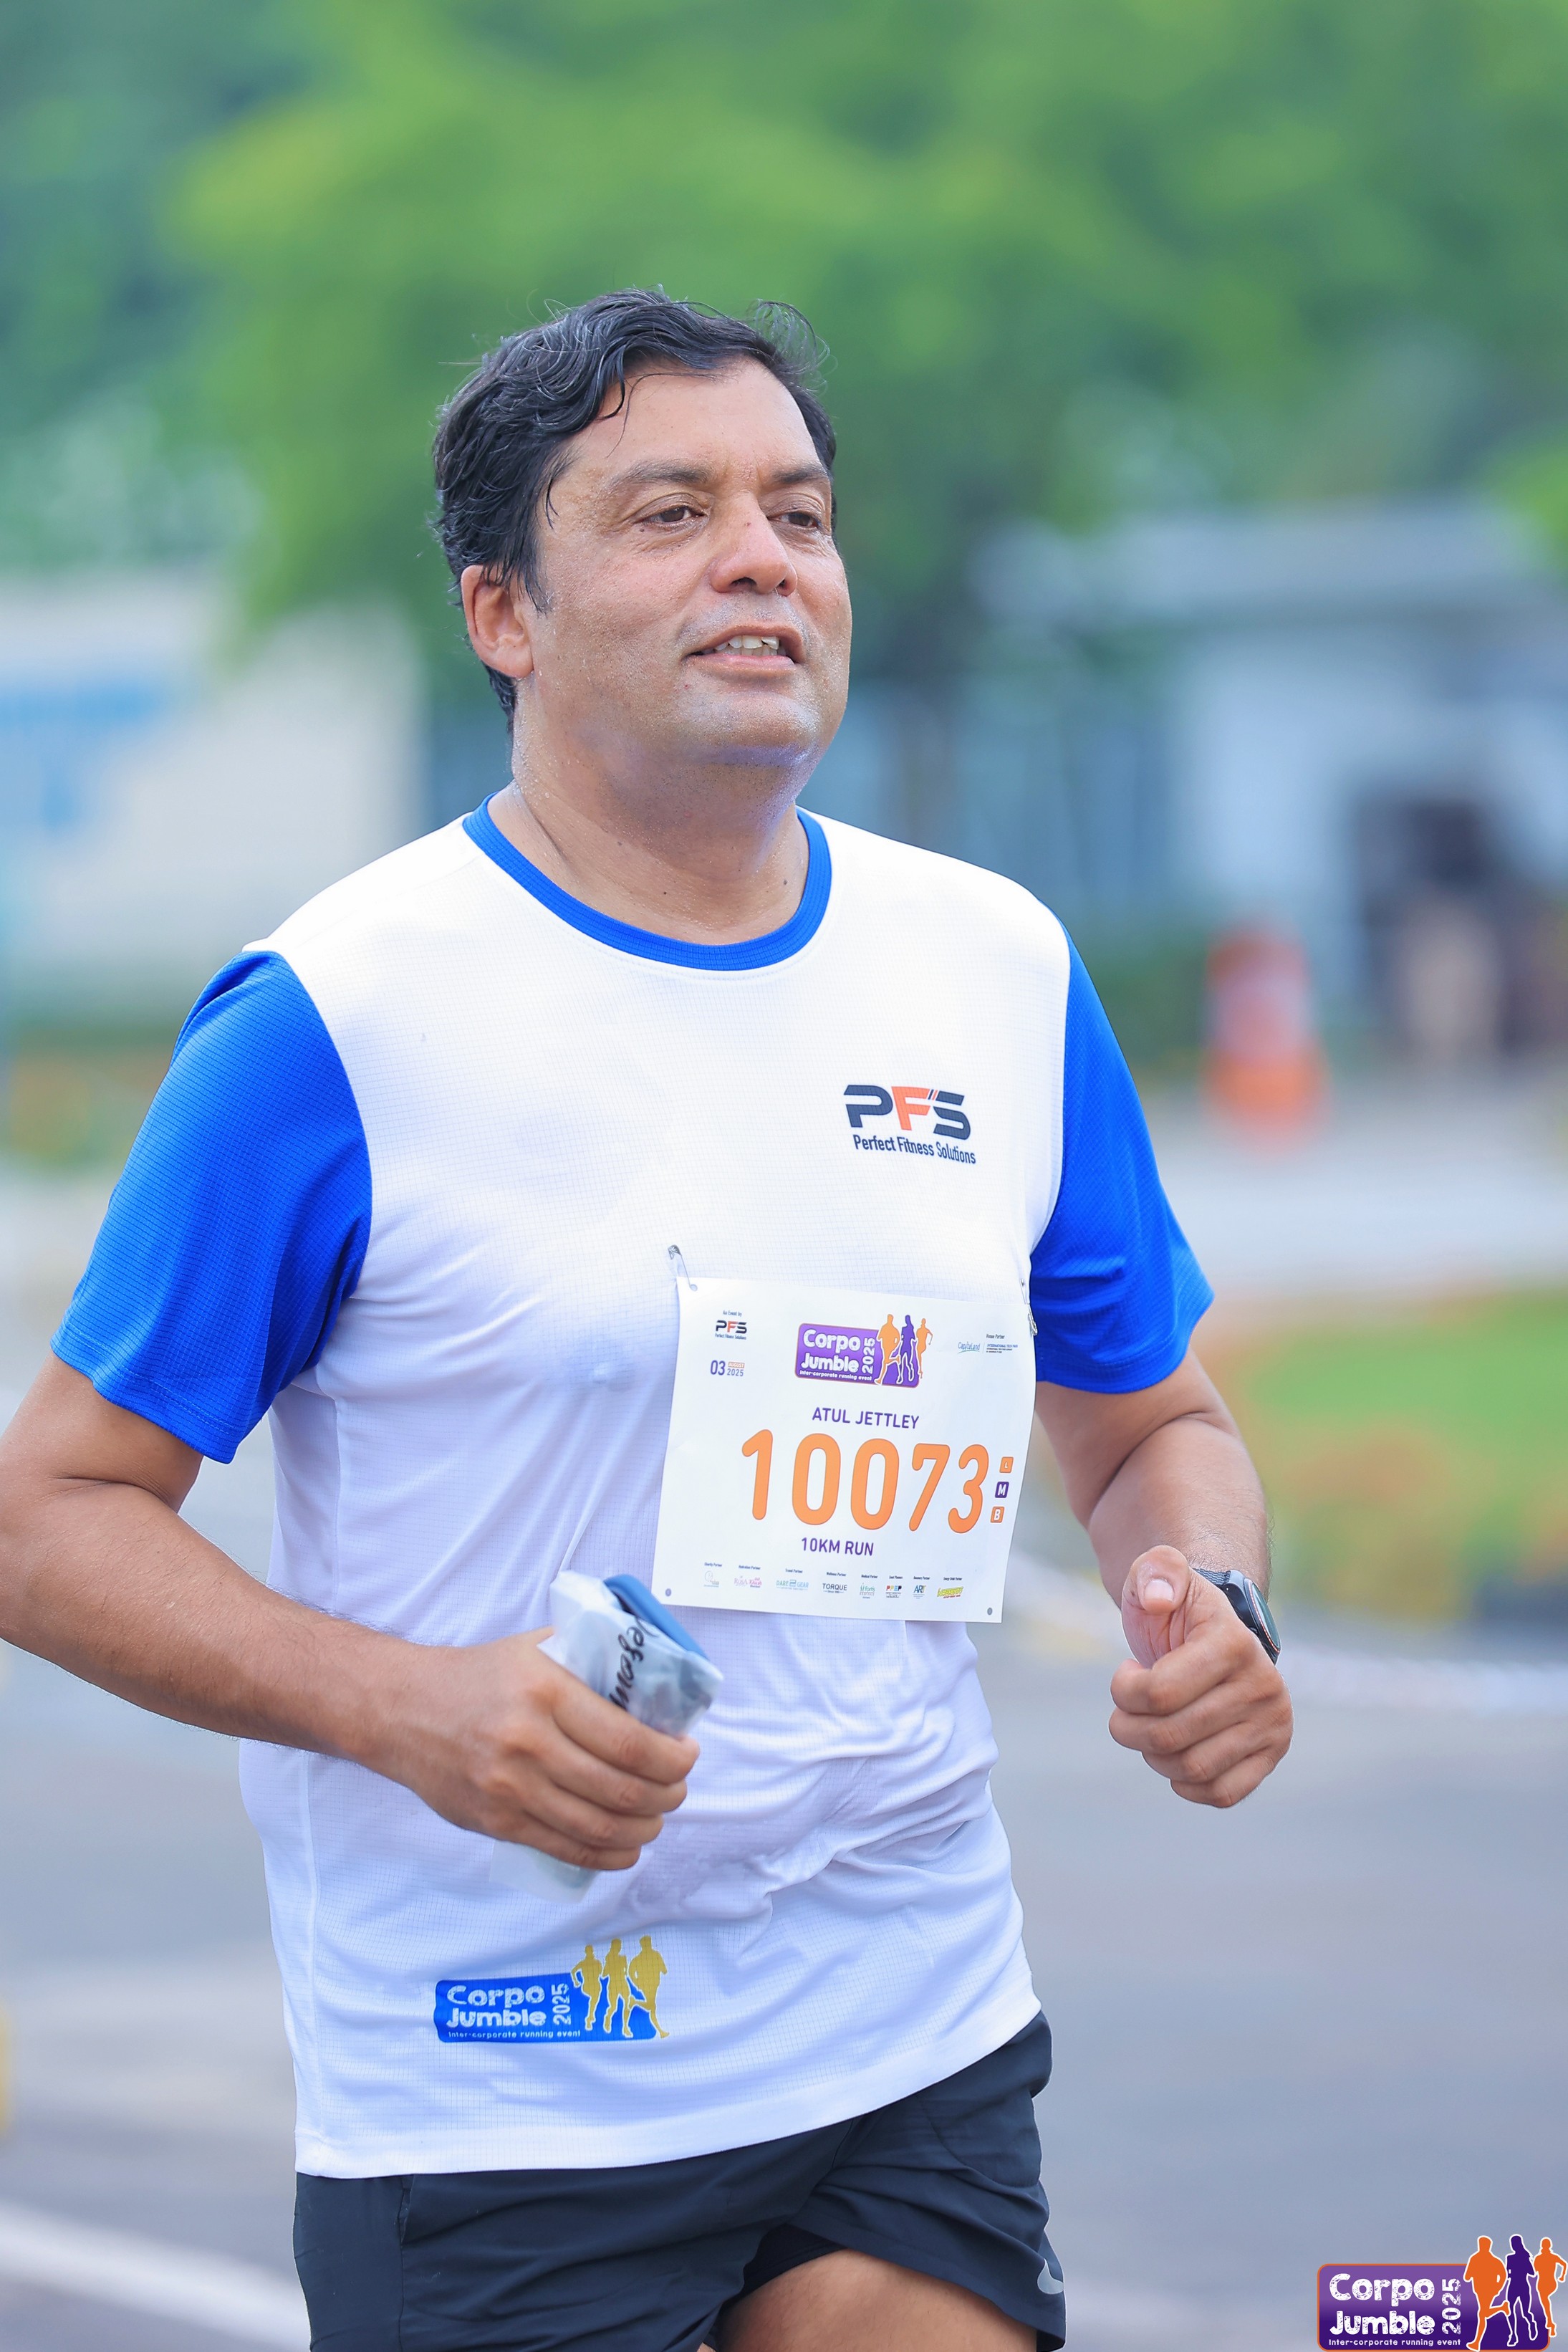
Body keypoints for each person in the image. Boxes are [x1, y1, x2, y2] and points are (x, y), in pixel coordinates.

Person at [0, 290, 1291, 2352]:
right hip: (506, 2065)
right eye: (670, 514)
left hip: (908, 2014)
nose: (759, 558)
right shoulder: (338, 1015)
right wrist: (411, 1709)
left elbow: (1148, 1427)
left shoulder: (991, 967)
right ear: (501, 612)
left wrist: (1205, 1598)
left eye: (797, 511)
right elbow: (46, 1520)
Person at [1535, 2239, 1565, 2340]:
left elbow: (1534, 2272)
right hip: (1548, 2283)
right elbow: (1564, 2265)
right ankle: (1550, 2323)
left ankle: (1550, 2323)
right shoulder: (1549, 2257)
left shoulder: (1540, 2258)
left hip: (1547, 2283)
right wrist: (1562, 2275)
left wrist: (1562, 2276)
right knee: (1545, 2302)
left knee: (1545, 2301)